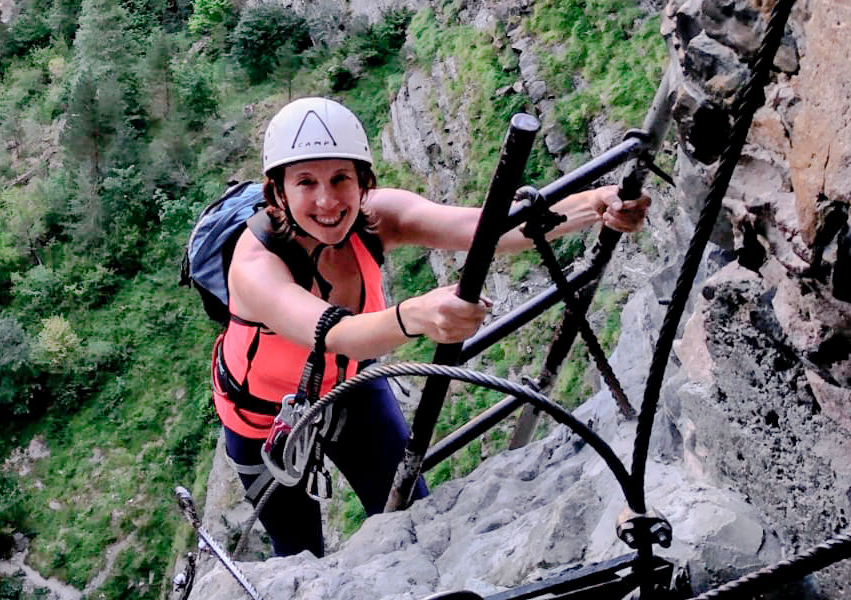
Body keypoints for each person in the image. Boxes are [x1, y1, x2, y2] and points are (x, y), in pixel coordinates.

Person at [213, 96, 649, 558]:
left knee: (406, 516)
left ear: (363, 181)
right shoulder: (255, 264)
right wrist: (416, 316)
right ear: (278, 191)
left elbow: (483, 230)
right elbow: (333, 334)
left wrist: (593, 204)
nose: (327, 200)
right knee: (298, 549)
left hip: (352, 388)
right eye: (306, 182)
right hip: (264, 418)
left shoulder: (375, 218)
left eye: (341, 178)